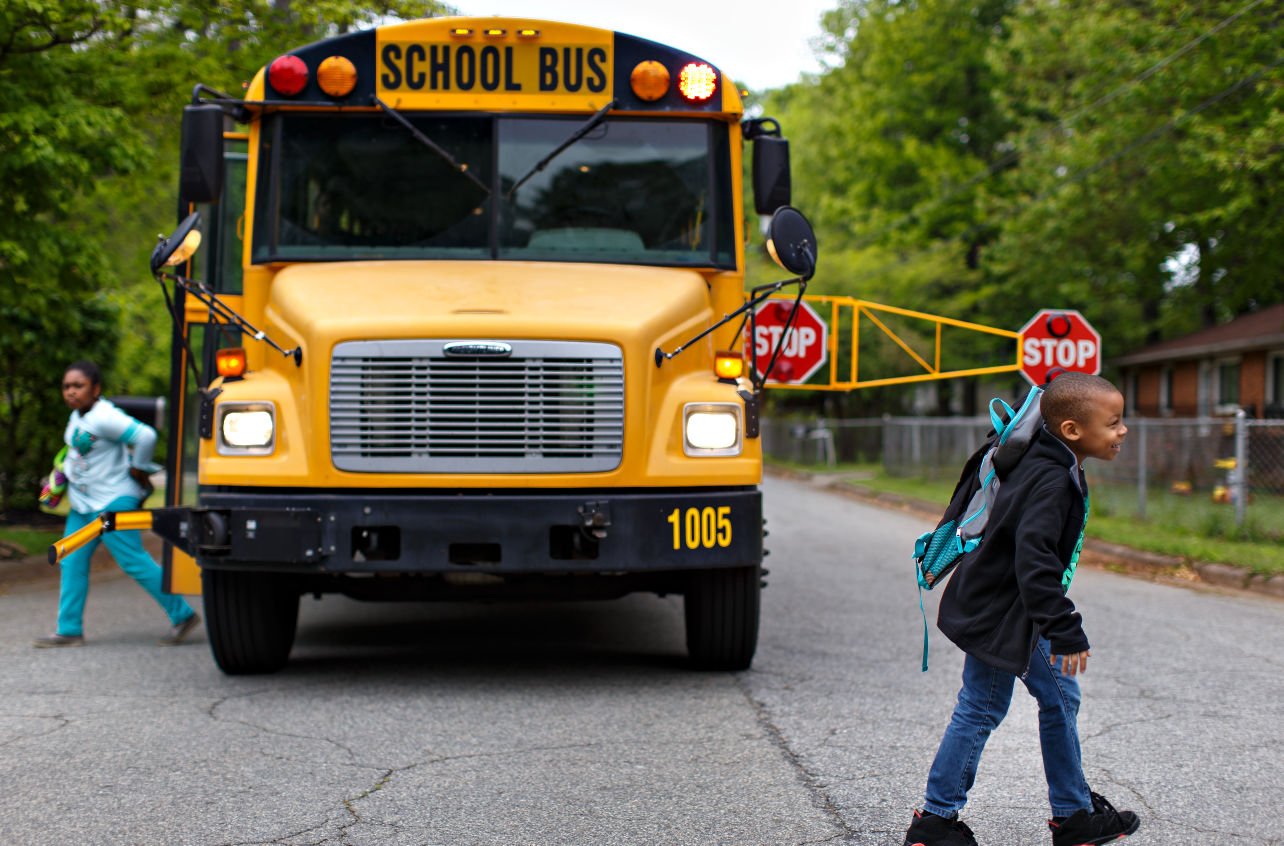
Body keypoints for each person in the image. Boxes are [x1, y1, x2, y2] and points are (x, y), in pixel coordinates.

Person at [904, 372, 1140, 846]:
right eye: (1113, 423)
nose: (1123, 431)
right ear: (1073, 430)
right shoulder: (1053, 478)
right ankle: (1069, 820)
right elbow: (1033, 562)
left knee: (996, 705)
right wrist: (1065, 627)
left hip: (993, 606)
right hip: (1011, 613)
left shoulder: (1045, 458)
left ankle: (940, 823)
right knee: (1040, 700)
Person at [33, 361, 200, 648]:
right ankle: (69, 630)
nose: (71, 392)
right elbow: (79, 452)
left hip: (113, 501)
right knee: (71, 560)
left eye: (78, 386)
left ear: (95, 389)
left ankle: (182, 614)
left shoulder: (104, 416)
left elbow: (145, 436)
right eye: (67, 386)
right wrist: (59, 479)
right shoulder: (78, 415)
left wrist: (139, 468)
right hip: (85, 504)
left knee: (132, 560)